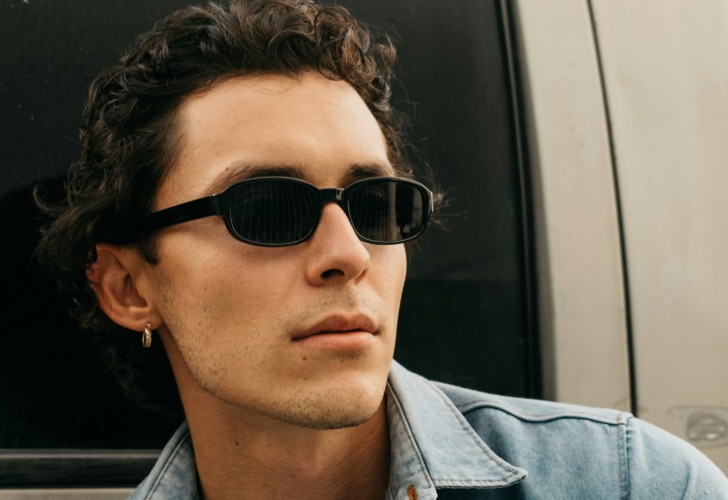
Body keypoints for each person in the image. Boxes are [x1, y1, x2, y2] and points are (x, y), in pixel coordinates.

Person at [38, 0, 728, 497]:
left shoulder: (633, 483)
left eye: (374, 206)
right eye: (268, 209)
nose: (348, 253)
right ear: (130, 288)